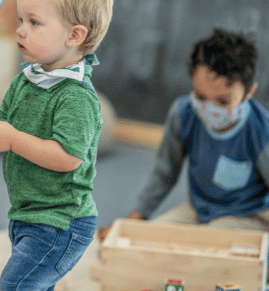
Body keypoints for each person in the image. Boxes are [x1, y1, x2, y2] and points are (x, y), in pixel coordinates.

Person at [0, 0, 113, 291]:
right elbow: (1, 126)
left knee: (17, 284)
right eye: (21, 20)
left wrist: (14, 140)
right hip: (27, 213)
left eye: (34, 22)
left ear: (75, 35)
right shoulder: (26, 80)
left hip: (62, 222)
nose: (20, 30)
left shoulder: (76, 97)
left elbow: (68, 158)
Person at [99, 29, 269, 240]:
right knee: (149, 239)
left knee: (203, 245)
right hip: (198, 210)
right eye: (200, 96)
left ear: (249, 92)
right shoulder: (183, 114)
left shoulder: (261, 130)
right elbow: (164, 172)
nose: (209, 108)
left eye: (223, 101)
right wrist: (132, 221)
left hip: (247, 216)